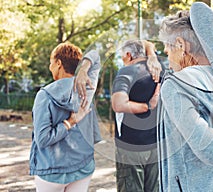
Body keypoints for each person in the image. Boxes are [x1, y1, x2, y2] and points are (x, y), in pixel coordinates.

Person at [157, 9, 213, 191]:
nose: (167, 55)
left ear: (181, 45)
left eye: (168, 48)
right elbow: (202, 13)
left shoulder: (176, 85)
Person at [29, 42, 101, 192]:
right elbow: (95, 54)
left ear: (59, 63)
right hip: (83, 167)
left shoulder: (45, 95)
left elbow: (42, 139)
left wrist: (69, 123)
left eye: (51, 63)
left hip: (51, 171)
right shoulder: (87, 88)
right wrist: (84, 69)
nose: (50, 68)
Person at [111, 39, 161, 192]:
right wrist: (152, 55)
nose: (122, 60)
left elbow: (118, 104)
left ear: (128, 55)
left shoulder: (127, 71)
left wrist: (147, 106)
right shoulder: (159, 70)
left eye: (122, 57)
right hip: (155, 146)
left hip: (130, 146)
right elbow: (147, 43)